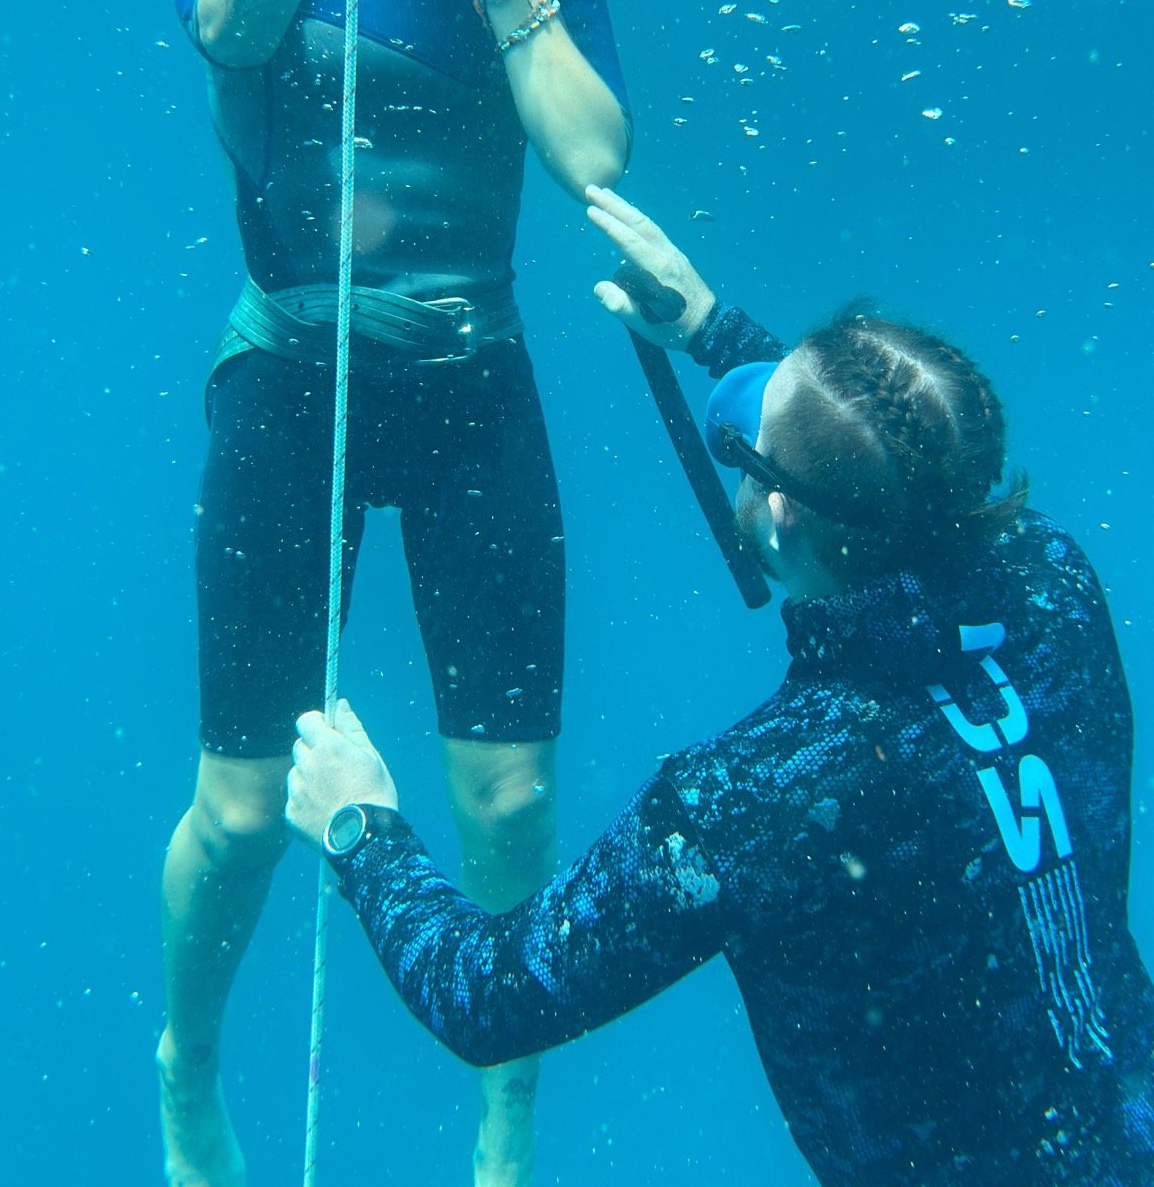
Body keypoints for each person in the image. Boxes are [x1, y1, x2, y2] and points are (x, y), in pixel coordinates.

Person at [286, 186, 1154, 1185]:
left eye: (744, 450)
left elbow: (494, 998)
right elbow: (894, 476)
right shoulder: (1057, 588)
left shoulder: (761, 797)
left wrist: (364, 831)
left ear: (777, 518)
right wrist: (712, 326)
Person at [160, 0, 629, 1187]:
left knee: (508, 795)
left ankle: (506, 1102)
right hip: (291, 378)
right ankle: (191, 1061)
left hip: (471, 385)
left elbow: (591, 160)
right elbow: (227, 27)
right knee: (237, 814)